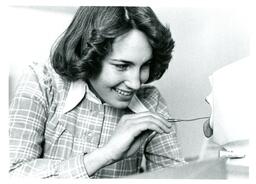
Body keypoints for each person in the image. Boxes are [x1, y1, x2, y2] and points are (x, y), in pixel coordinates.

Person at [9, 6, 186, 178]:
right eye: (122, 66)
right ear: (87, 55)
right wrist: (105, 155)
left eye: (145, 65)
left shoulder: (151, 102)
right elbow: (12, 173)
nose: (136, 83)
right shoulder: (42, 82)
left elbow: (174, 177)